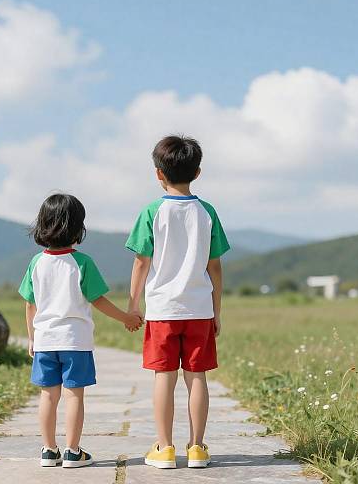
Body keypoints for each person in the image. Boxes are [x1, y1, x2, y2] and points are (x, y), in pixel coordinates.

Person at [126, 135, 230, 469]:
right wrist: (216, 310)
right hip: (199, 309)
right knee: (197, 377)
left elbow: (142, 262)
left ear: (158, 173)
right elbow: (215, 266)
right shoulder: (207, 211)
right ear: (197, 172)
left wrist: (132, 305)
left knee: (164, 378)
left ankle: (165, 448)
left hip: (162, 311)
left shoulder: (152, 211)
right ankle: (197, 448)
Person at [19, 193, 142, 468]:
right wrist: (127, 317)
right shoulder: (82, 262)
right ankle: (73, 451)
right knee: (75, 394)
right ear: (77, 228)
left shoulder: (36, 263)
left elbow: (30, 305)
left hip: (45, 341)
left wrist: (32, 337)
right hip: (75, 342)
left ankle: (49, 451)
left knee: (48, 395)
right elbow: (98, 300)